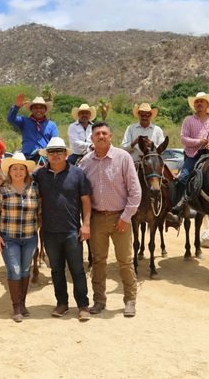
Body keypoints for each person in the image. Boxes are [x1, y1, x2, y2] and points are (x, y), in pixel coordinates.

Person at [78, 122, 142, 318]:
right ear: (92, 138)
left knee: (125, 261)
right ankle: (99, 301)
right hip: (97, 218)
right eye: (97, 134)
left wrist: (126, 216)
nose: (101, 136)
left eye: (104, 133)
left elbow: (135, 190)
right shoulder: (85, 162)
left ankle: (130, 300)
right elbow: (79, 191)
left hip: (120, 217)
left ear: (111, 136)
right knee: (98, 262)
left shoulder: (123, 158)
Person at [34, 137, 92, 322]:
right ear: (47, 155)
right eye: (52, 152)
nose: (56, 155)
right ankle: (62, 303)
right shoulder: (39, 175)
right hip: (49, 231)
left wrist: (86, 224)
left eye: (59, 151)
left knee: (77, 269)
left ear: (66, 154)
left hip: (72, 230)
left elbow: (86, 200)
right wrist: (1, 181)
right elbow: (19, 180)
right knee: (56, 270)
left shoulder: (78, 173)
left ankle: (83, 305)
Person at [0, 152, 40, 322]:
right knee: (15, 270)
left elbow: (39, 212)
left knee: (25, 270)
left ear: (26, 171)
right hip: (8, 237)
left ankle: (23, 302)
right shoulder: (1, 189)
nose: (18, 172)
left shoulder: (34, 188)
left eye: (21, 168)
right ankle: (16, 306)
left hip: (29, 237)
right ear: (9, 171)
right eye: (14, 169)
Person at [168, 92, 209, 223]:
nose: (199, 104)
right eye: (197, 102)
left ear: (207, 105)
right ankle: (176, 206)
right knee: (183, 178)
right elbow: (183, 139)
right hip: (193, 155)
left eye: (201, 101)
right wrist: (198, 142)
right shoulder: (188, 120)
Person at [7, 94, 58, 162]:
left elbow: (55, 142)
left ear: (45, 110)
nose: (38, 110)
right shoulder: (24, 121)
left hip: (45, 157)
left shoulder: (51, 125)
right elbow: (11, 119)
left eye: (41, 108)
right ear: (31, 110)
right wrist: (16, 107)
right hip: (28, 156)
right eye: (36, 108)